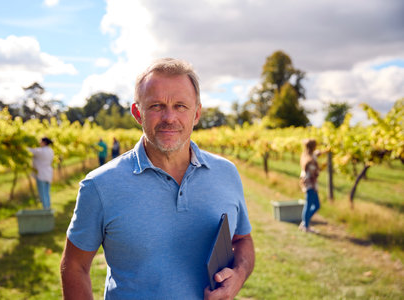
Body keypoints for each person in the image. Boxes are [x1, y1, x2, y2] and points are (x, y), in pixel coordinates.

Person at [61, 58, 255, 300]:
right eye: (156, 106)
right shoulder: (100, 185)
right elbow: (75, 267)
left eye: (181, 106)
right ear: (137, 113)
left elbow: (242, 240)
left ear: (196, 113)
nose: (169, 117)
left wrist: (238, 275)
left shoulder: (226, 173)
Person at [298, 138, 320, 233]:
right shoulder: (310, 160)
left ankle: (305, 223)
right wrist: (315, 186)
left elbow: (316, 154)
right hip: (310, 184)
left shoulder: (305, 155)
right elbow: (313, 174)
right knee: (312, 205)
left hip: (307, 183)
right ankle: (305, 224)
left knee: (313, 204)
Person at [28, 137, 54, 209]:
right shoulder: (51, 150)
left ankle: (45, 209)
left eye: (40, 141)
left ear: (44, 142)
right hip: (48, 173)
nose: (39, 142)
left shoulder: (40, 151)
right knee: (47, 192)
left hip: (41, 174)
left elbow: (29, 151)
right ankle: (48, 208)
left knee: (42, 193)